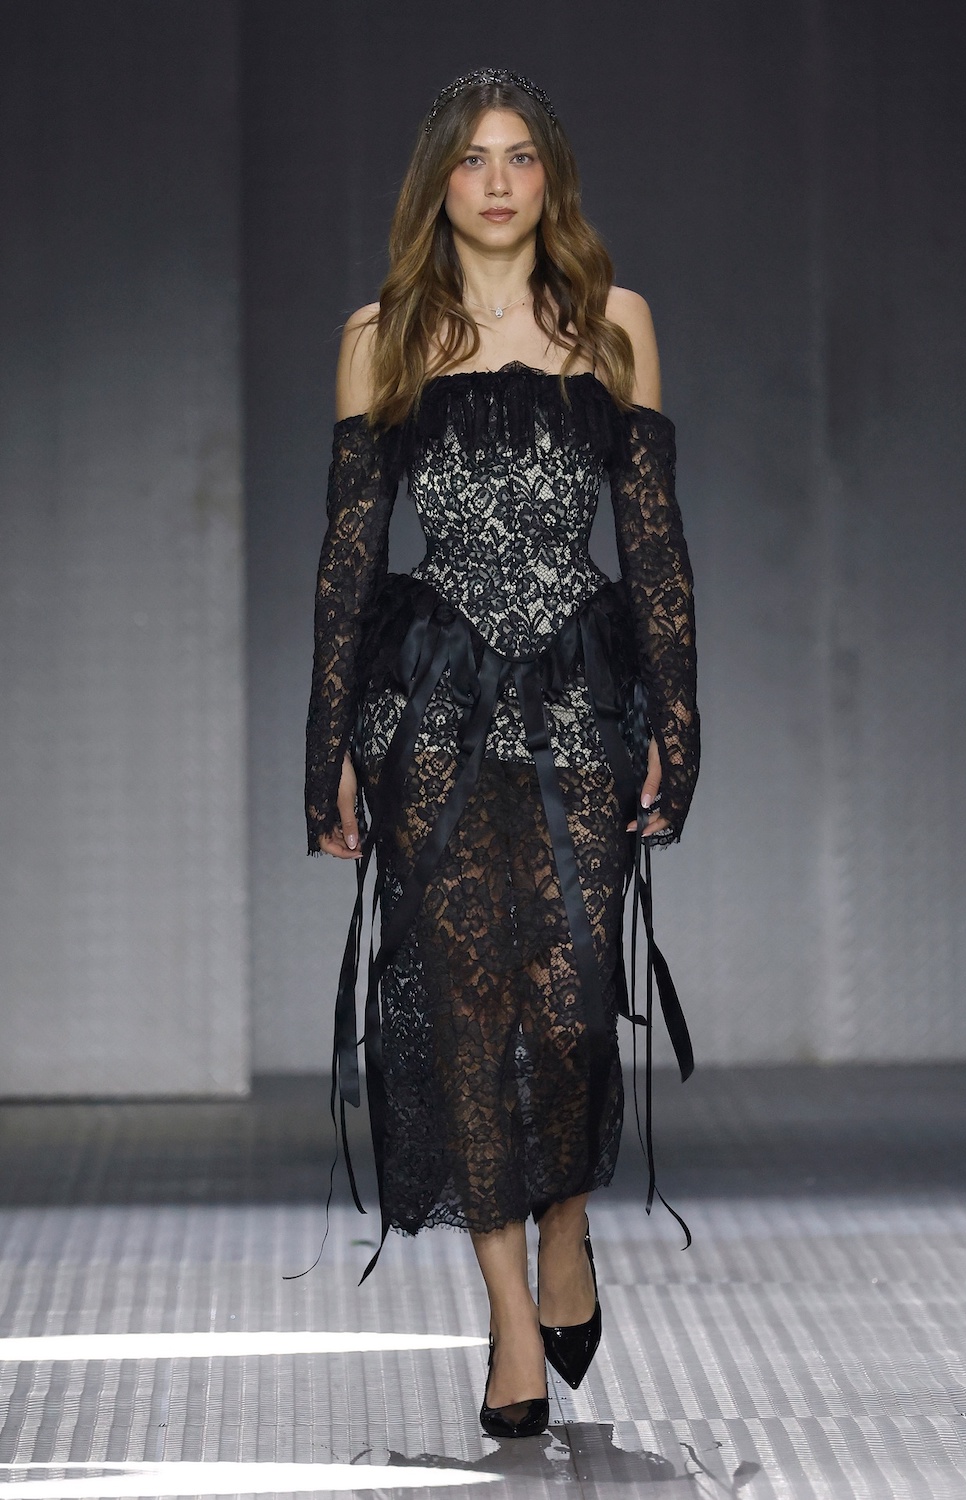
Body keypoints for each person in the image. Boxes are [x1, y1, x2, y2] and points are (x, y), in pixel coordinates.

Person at [305, 68, 699, 1439]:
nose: (496, 180)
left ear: (549, 180)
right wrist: (329, 750)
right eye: (472, 158)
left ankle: (567, 1227)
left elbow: (655, 546)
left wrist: (676, 723)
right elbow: (349, 560)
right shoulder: (383, 337)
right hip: (435, 715)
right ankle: (511, 1320)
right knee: (460, 1009)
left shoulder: (614, 323)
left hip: (581, 703)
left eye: (520, 156)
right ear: (439, 182)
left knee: (574, 1001)